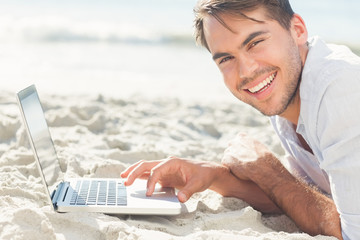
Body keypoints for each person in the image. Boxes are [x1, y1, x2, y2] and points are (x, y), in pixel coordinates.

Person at [121, 0, 360, 239]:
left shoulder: (340, 89)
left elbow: (351, 232)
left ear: (297, 29)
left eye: (255, 43)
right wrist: (213, 176)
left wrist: (267, 169)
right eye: (226, 59)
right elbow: (308, 199)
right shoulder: (288, 91)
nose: (246, 71)